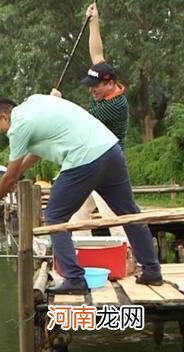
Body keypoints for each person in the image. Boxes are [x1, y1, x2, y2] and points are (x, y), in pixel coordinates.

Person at [0, 94, 162, 293]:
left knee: (55, 216)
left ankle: (74, 279)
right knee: (129, 213)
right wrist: (17, 174)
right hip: (110, 151)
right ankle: (152, 271)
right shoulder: (36, 102)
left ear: (3, 117)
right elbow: (34, 155)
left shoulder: (18, 126)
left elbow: (8, 177)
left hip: (84, 158)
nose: (1, 132)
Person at [51, 2, 129, 237]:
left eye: (95, 86)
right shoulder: (108, 86)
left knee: (115, 219)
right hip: (88, 162)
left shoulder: (114, 106)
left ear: (109, 83)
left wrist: (57, 103)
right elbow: (97, 54)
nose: (91, 90)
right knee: (76, 216)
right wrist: (94, 22)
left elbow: (78, 122)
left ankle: (127, 259)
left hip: (108, 167)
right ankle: (78, 256)